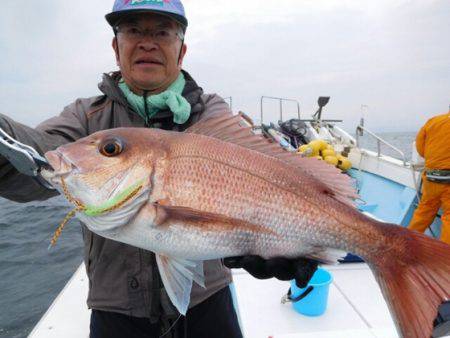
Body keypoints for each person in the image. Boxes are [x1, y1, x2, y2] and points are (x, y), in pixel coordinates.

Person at [0, 1, 318, 337]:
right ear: (116, 46)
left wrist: (286, 236)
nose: (147, 42)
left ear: (181, 51)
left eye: (162, 32)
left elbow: (268, 172)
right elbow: (36, 152)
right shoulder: (86, 119)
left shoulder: (210, 113)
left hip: (207, 299)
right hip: (117, 311)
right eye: (134, 29)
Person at [408, 110, 450, 244]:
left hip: (431, 178)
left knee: (423, 212)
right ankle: (445, 258)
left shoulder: (432, 121)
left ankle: (407, 243)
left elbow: (421, 148)